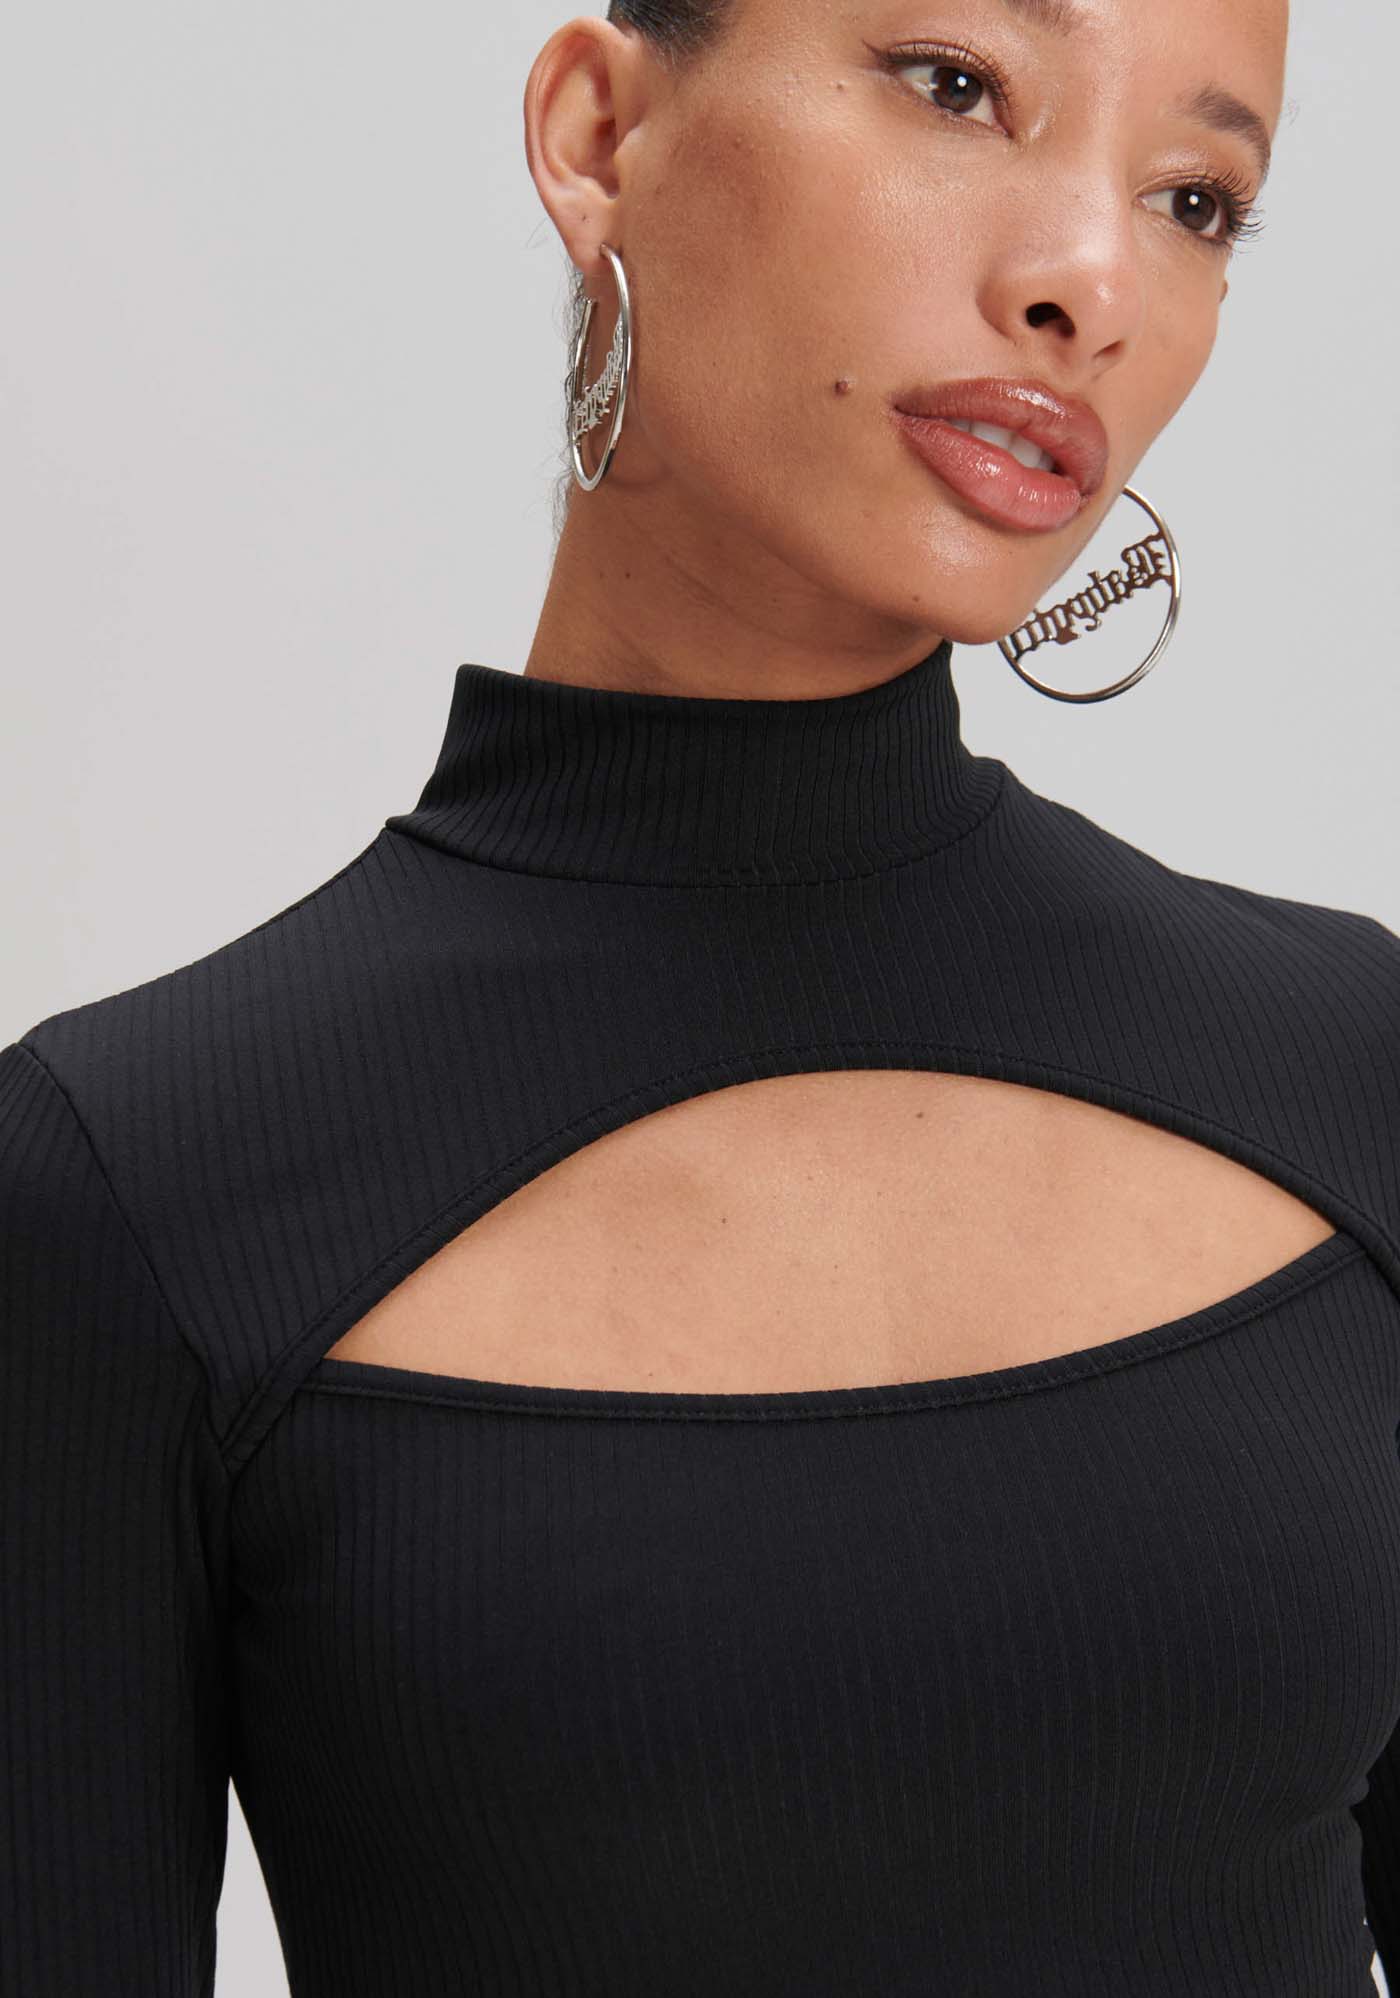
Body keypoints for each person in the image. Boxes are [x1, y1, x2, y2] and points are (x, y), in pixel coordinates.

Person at [3, 1, 1399, 1993]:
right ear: (598, 133)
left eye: (1193, 199)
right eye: (957, 87)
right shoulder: (131, 1182)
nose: (1090, 282)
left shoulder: (1355, 1070)